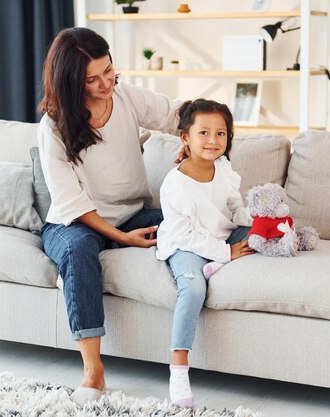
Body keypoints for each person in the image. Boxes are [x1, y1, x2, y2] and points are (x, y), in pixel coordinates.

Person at [37, 27, 182, 405]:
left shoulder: (126, 96)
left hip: (132, 212)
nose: (106, 83)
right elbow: (72, 203)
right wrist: (122, 239)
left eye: (109, 71)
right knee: (79, 252)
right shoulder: (53, 126)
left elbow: (175, 115)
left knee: (192, 221)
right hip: (73, 223)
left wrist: (193, 140)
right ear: (71, 82)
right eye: (93, 79)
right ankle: (93, 372)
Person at [156, 99, 255, 408]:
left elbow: (234, 208)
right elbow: (187, 235)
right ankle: (179, 368)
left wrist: (257, 218)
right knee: (193, 287)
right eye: (204, 133)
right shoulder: (176, 185)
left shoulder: (223, 168)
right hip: (187, 245)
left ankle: (217, 265)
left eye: (221, 134)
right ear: (185, 137)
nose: (214, 141)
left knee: (268, 237)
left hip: (221, 235)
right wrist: (225, 253)